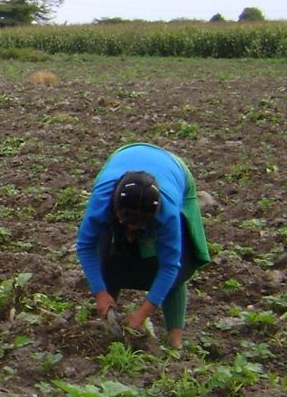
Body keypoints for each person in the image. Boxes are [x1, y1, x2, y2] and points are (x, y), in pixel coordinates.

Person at [75, 143, 210, 349]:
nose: (133, 230)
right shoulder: (102, 200)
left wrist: (143, 313)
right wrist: (100, 293)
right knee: (109, 256)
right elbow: (86, 246)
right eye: (127, 222)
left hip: (173, 169)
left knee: (178, 271)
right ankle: (108, 325)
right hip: (123, 156)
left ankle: (175, 342)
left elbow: (170, 265)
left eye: (139, 225)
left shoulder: (167, 213)